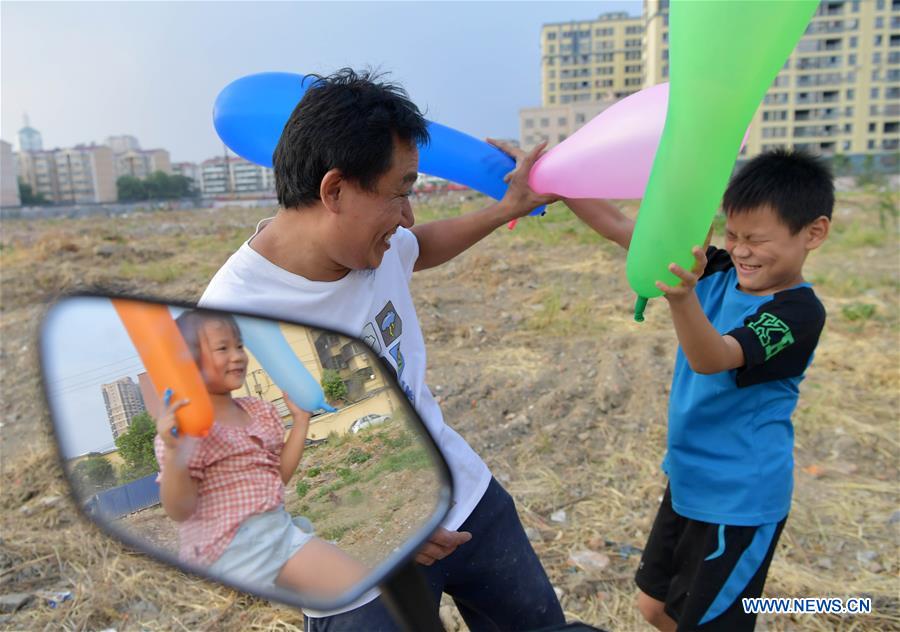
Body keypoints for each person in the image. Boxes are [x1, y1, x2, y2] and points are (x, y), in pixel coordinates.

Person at [199, 68, 566, 631]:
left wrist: (505, 208)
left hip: (467, 501)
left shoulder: (374, 244)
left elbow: (420, 247)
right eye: (401, 193)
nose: (408, 216)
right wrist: (386, 525)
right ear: (334, 191)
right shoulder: (231, 318)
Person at [553, 147, 831, 631]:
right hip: (689, 479)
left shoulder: (797, 312)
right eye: (733, 235)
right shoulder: (718, 270)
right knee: (654, 607)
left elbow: (713, 358)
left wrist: (682, 300)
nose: (740, 250)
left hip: (739, 499)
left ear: (813, 233)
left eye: (756, 240)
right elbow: (621, 228)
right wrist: (556, 183)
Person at [153, 309, 368, 600]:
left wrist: (301, 422)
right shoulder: (183, 431)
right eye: (222, 348)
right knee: (358, 591)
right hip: (226, 554)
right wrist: (175, 450)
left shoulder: (258, 411)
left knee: (360, 588)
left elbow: (277, 478)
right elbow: (179, 510)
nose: (237, 356)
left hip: (276, 531)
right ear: (187, 361)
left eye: (240, 346)